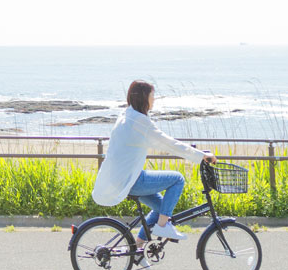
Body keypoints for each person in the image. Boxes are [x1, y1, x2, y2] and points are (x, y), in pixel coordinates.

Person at [92, 80, 216, 260]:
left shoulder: (127, 115)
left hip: (122, 178)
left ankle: (138, 252)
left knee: (161, 209)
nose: (154, 100)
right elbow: (168, 143)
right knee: (177, 179)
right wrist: (200, 156)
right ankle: (163, 226)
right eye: (152, 96)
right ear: (144, 98)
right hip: (132, 180)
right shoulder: (139, 121)